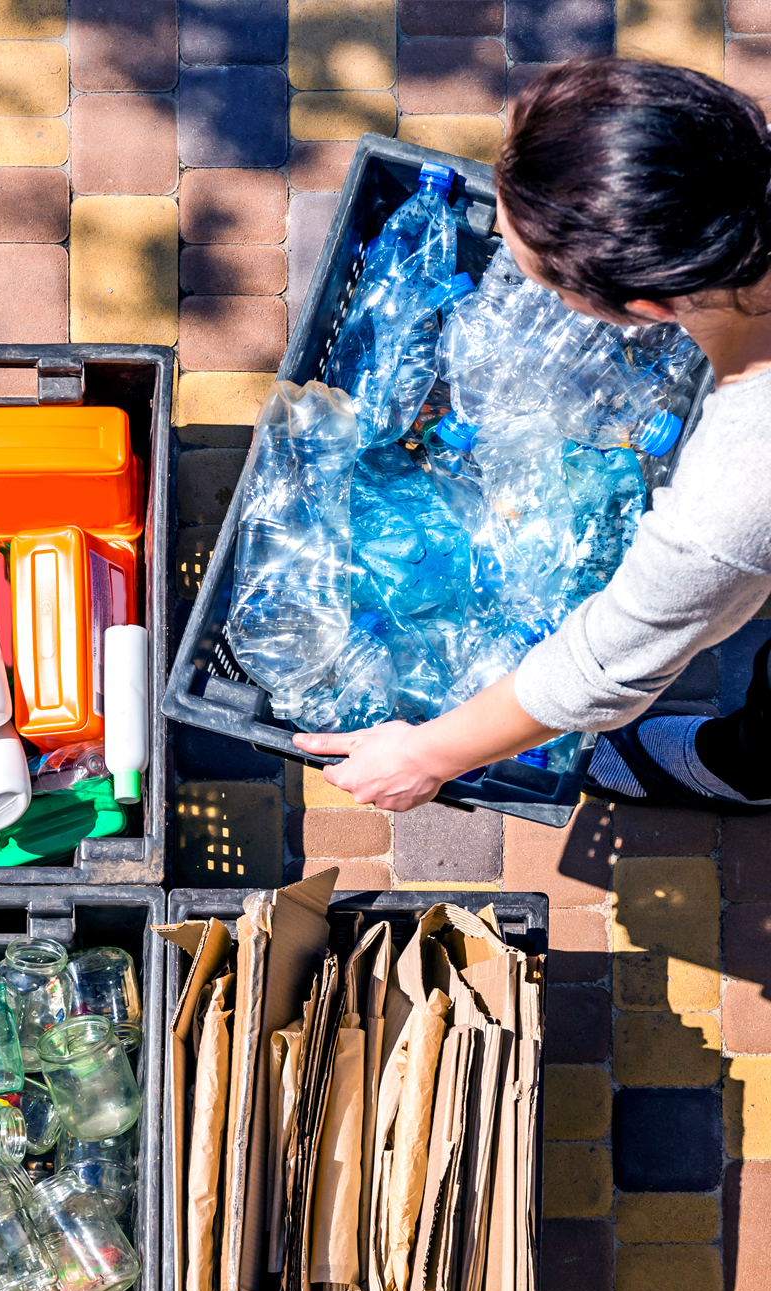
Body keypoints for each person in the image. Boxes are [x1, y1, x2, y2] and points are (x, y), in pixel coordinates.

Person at [293, 58, 771, 814]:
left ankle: (748, 767)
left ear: (644, 308)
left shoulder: (737, 486)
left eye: (540, 285)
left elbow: (602, 666)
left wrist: (424, 753)